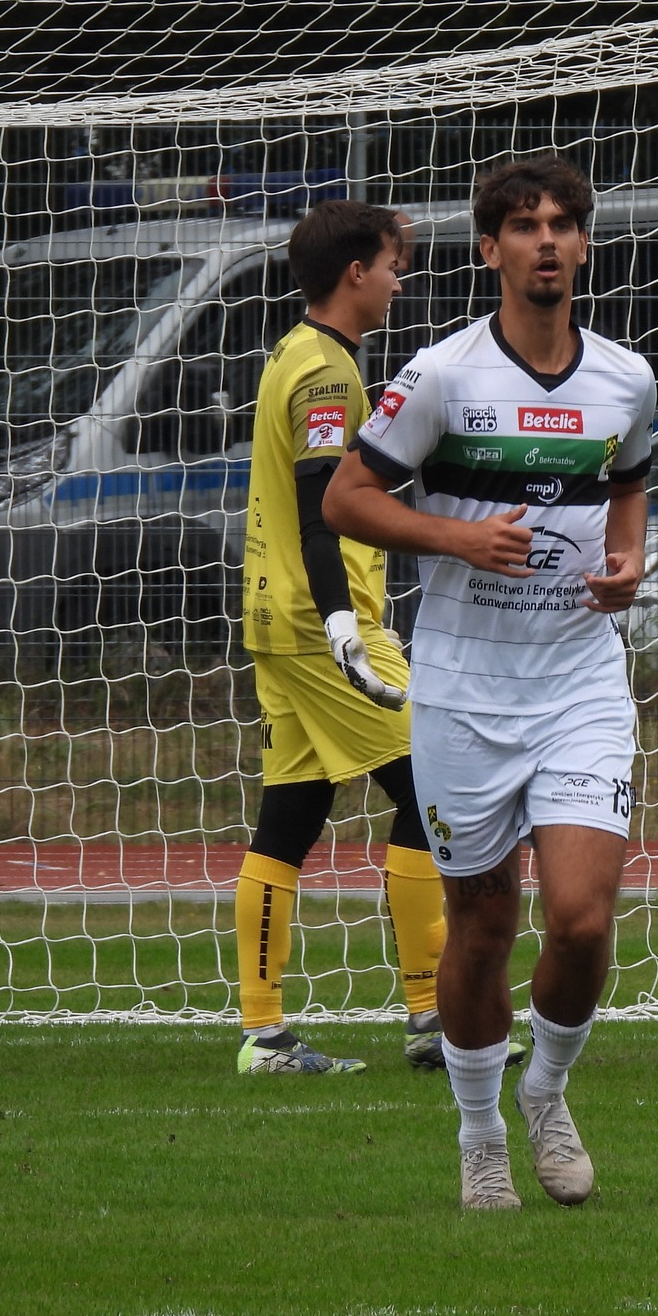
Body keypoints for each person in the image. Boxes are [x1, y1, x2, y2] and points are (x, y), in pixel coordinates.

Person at [325, 155, 655, 1210]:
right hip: (464, 691)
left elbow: (629, 485)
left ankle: (545, 1092)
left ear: (583, 245)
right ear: (489, 249)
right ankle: (479, 1135)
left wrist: (628, 562)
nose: (544, 240)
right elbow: (345, 499)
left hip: (579, 681)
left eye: (561, 223)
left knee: (583, 920)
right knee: (481, 924)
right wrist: (456, 540)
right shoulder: (441, 376)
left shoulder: (627, 379)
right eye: (523, 225)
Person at [235, 199, 463, 1075]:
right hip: (321, 625)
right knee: (435, 788)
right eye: (393, 267)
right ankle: (431, 1016)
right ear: (356, 272)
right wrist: (340, 620)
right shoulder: (327, 372)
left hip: (279, 619)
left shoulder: (295, 352)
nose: (400, 282)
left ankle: (264, 1036)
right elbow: (320, 506)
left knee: (290, 819)